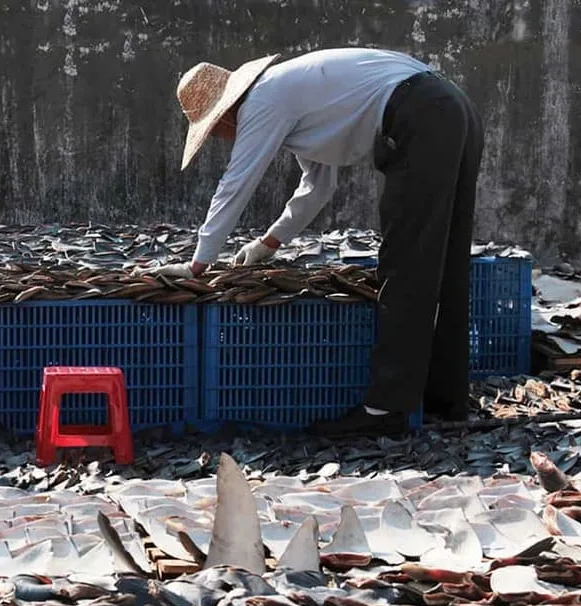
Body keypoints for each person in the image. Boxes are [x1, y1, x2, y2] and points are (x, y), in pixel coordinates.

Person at [154, 47, 484, 438]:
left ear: (225, 113)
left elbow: (236, 184)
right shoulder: (296, 95)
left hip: (421, 115)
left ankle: (386, 409)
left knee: (406, 265)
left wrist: (198, 263)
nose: (223, 139)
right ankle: (447, 401)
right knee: (445, 260)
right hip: (451, 106)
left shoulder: (262, 100)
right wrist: (269, 243)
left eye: (216, 131)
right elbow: (318, 186)